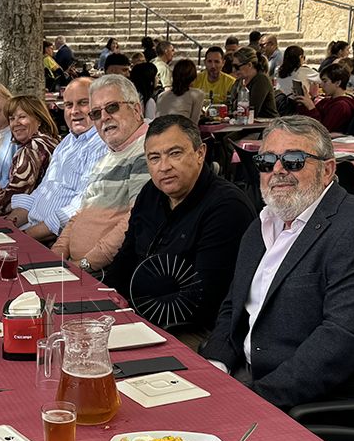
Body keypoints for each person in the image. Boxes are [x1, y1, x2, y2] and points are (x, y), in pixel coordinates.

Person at [201, 116, 354, 410]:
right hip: (251, 378)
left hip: (324, 405)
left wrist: (252, 400)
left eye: (294, 161)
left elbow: (339, 344)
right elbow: (234, 307)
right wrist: (215, 366)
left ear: (327, 170)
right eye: (266, 161)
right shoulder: (262, 225)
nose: (278, 170)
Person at [105, 116, 256, 348]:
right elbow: (126, 255)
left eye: (175, 153)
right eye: (154, 158)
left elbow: (203, 299)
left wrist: (134, 320)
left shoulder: (227, 207)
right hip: (138, 313)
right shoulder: (151, 193)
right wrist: (110, 297)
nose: (164, 166)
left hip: (194, 329)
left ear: (200, 153)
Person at [53, 75, 153, 274]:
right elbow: (80, 214)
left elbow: (133, 221)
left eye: (112, 107)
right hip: (74, 267)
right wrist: (56, 255)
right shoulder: (109, 155)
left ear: (136, 109)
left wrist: (84, 265)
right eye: (96, 113)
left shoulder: (146, 151)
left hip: (103, 273)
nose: (104, 117)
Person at [13, 77, 109, 242]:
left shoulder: (101, 145)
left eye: (83, 103)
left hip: (54, 240)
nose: (74, 111)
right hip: (30, 230)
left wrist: (25, 237)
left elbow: (77, 210)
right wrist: (9, 225)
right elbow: (40, 193)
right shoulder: (66, 142)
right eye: (69, 105)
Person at [0, 95, 59, 215]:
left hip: (34, 217)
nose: (16, 123)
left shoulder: (34, 148)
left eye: (22, 117)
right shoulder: (49, 140)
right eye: (12, 118)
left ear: (39, 119)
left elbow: (16, 192)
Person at [295, 64, 354, 132]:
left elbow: (323, 131)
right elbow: (305, 121)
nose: (321, 85)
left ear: (337, 83)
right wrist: (302, 103)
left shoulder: (341, 105)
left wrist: (311, 107)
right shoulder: (326, 101)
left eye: (325, 81)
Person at [227, 47, 279, 118]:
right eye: (232, 66)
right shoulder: (239, 81)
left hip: (265, 126)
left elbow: (252, 110)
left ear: (249, 65)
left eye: (236, 66)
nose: (233, 70)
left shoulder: (261, 80)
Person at [155, 58, 205, 123]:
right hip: (180, 131)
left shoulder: (161, 96)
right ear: (193, 77)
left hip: (159, 131)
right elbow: (194, 122)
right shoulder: (197, 94)